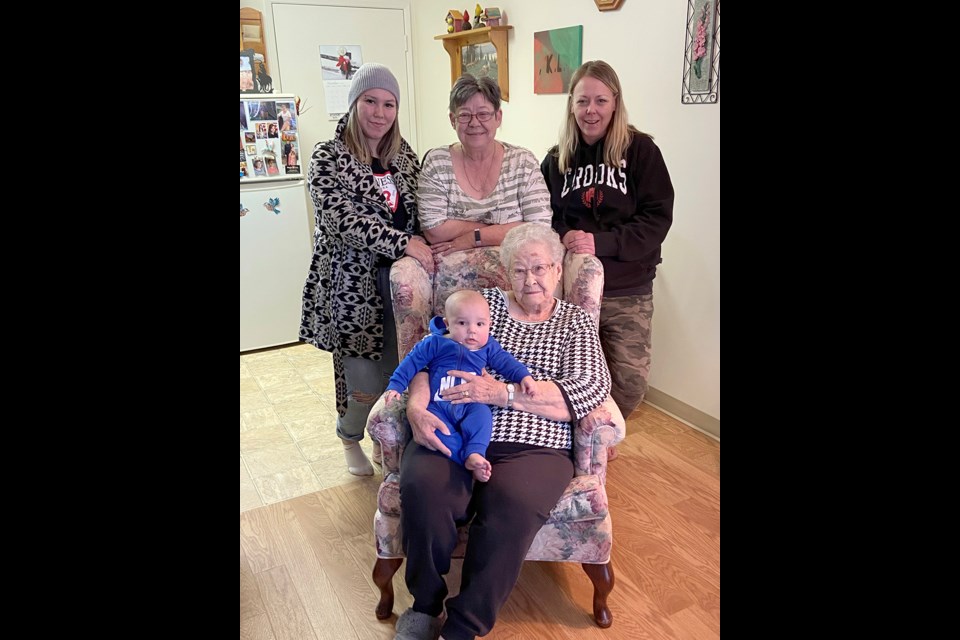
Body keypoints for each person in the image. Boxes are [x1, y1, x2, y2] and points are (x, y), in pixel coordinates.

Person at [393, 223, 611, 640]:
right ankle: (424, 604)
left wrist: (503, 393)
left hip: (535, 444)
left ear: (558, 271)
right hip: (454, 427)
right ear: (506, 273)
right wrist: (417, 406)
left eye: (540, 268)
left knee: (511, 505)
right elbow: (425, 357)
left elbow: (588, 389)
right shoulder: (480, 306)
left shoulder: (575, 323)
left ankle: (462, 627)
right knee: (424, 487)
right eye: (519, 270)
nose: (530, 280)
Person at [300, 63, 433, 477]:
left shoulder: (405, 156)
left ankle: (386, 438)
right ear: (355, 103)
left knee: (399, 375)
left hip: (401, 285)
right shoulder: (328, 156)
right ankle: (348, 435)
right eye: (370, 101)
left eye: (389, 103)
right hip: (350, 287)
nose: (380, 112)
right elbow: (341, 219)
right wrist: (403, 242)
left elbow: (422, 210)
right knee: (363, 383)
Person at [541, 60, 674, 426]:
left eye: (600, 100)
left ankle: (599, 427)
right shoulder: (556, 160)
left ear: (615, 102)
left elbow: (657, 218)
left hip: (626, 287)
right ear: (571, 104)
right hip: (570, 289)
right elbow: (542, 214)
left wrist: (600, 242)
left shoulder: (641, 151)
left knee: (630, 381)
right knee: (572, 373)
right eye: (583, 101)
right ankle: (579, 441)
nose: (591, 110)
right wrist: (563, 234)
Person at [383, 290, 537, 482]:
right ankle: (463, 458)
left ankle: (475, 452)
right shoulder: (435, 343)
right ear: (448, 324)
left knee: (483, 417)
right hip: (438, 404)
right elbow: (411, 362)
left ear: (489, 325)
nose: (472, 330)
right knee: (438, 432)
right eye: (462, 323)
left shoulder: (487, 346)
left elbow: (506, 362)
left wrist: (524, 377)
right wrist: (396, 385)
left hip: (471, 403)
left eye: (480, 324)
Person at [417, 74, 552, 258]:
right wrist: (506, 228)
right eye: (464, 115)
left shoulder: (523, 163)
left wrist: (474, 238)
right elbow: (433, 230)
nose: (474, 123)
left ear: (498, 117)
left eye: (483, 114)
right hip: (451, 279)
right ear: (452, 119)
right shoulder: (437, 163)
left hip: (519, 276)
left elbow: (539, 228)